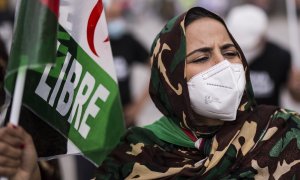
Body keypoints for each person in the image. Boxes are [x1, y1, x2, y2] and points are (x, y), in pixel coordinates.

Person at [2, 6, 300, 179]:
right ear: (170, 78)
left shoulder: (284, 132)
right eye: (201, 57)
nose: (223, 66)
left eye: (230, 52)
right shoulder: (132, 155)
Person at [226, 4, 300, 106]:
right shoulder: (221, 55)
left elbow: (296, 98)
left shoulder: (280, 56)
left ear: (263, 36)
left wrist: (295, 87)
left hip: (269, 119)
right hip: (232, 120)